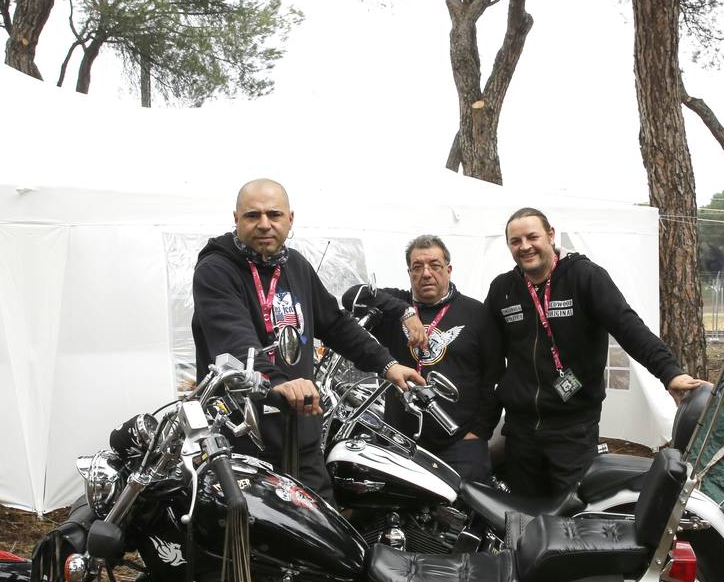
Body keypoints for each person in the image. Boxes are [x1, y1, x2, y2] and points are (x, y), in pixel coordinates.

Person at [192, 179, 424, 499]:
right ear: (236, 219)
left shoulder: (296, 266)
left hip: (301, 438)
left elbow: (336, 324)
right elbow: (234, 338)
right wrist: (276, 382)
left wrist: (386, 364)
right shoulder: (215, 270)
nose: (264, 224)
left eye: (274, 214)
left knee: (324, 538)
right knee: (257, 542)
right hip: (243, 444)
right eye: (252, 216)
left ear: (290, 219)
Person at [486, 207, 705, 497]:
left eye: (532, 236)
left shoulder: (584, 277)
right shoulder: (503, 289)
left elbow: (629, 327)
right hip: (520, 431)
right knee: (524, 517)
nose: (525, 246)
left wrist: (670, 373)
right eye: (516, 241)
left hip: (573, 429)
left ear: (551, 236)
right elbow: (486, 353)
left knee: (571, 516)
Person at [343, 235, 502, 484]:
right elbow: (352, 296)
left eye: (435, 265)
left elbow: (494, 377)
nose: (426, 273)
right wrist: (404, 312)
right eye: (417, 267)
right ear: (409, 272)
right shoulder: (395, 305)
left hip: (460, 443)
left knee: (468, 515)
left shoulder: (476, 313)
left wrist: (479, 432)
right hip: (400, 440)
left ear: (448, 270)